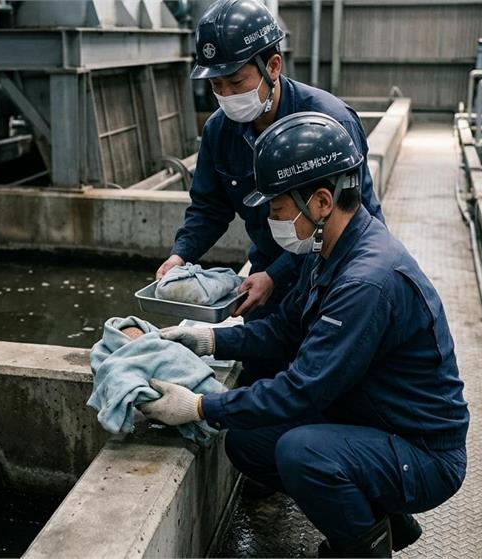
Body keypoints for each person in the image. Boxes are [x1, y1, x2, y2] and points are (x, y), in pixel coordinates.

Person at [141, 113, 469, 557]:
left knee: (302, 452)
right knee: (248, 444)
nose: (273, 220)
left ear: (319, 202)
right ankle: (383, 519)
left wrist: (199, 406)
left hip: (423, 450)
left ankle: (361, 549)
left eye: (277, 208)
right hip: (375, 419)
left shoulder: (365, 282)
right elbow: (283, 330)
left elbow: (301, 391)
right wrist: (209, 340)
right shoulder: (327, 249)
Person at [156, 0, 384, 384]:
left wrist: (276, 276)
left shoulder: (328, 122)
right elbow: (209, 207)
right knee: (266, 371)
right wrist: (181, 255)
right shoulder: (219, 130)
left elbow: (338, 224)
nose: (227, 95)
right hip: (267, 271)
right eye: (216, 85)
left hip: (333, 270)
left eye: (237, 82)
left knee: (323, 377)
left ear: (273, 67)